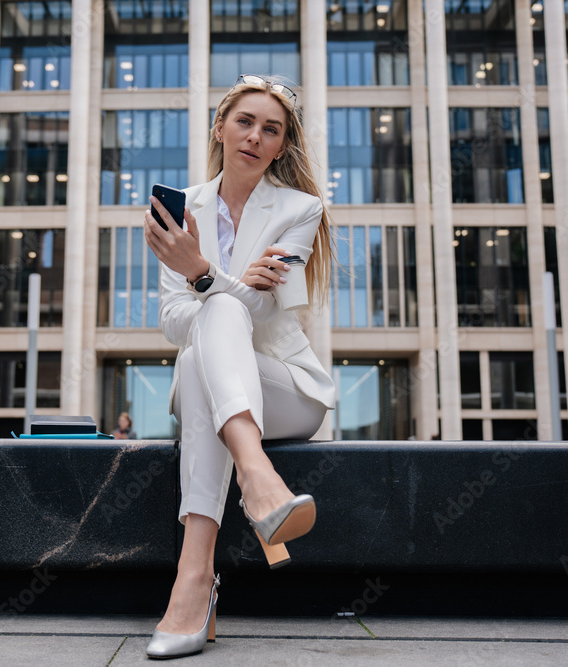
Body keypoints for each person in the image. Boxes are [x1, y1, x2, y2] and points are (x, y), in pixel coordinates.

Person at [142, 74, 336, 659]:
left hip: (287, 391)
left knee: (219, 313)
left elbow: (255, 310)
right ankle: (254, 495)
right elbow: (174, 321)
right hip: (213, 384)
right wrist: (222, 284)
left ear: (282, 146)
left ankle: (196, 581)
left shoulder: (302, 210)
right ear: (220, 129)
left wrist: (200, 273)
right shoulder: (182, 209)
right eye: (245, 122)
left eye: (271, 129)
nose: (255, 136)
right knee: (209, 335)